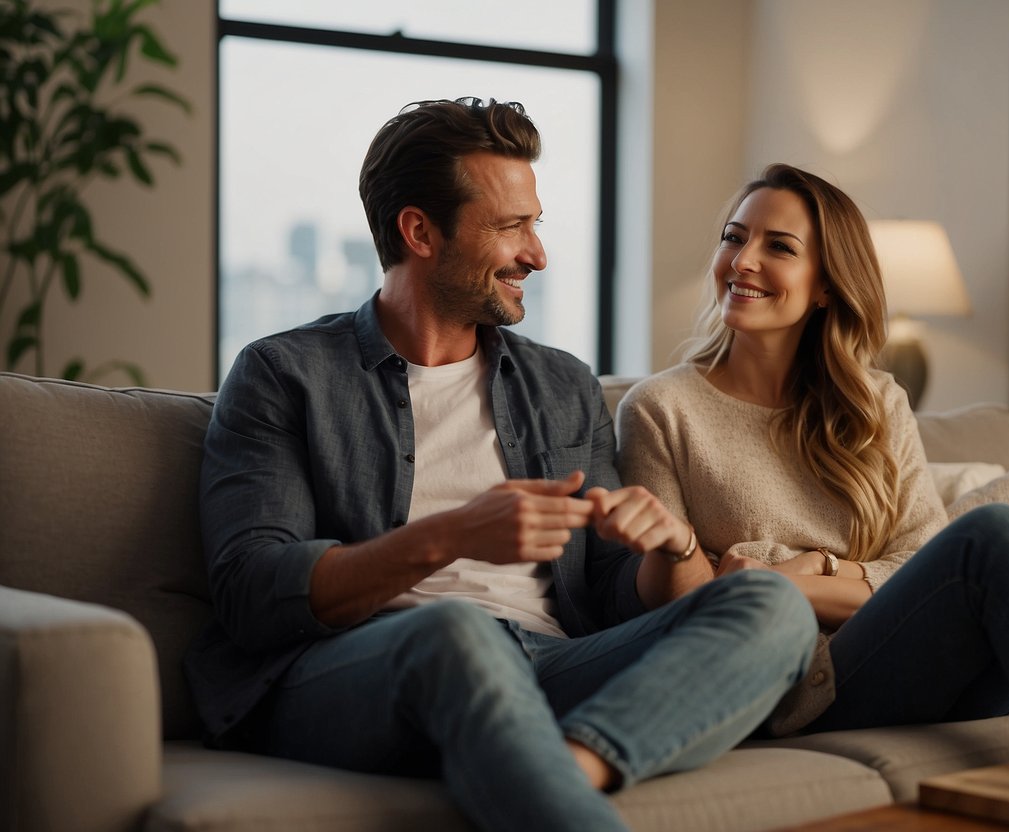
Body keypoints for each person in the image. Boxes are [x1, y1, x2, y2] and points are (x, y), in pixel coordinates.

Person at [186, 101, 818, 832]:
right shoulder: (283, 374)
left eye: (535, 225)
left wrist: (669, 549)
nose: (536, 255)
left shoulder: (560, 384)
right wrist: (451, 534)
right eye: (510, 227)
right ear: (420, 231)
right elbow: (251, 591)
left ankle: (549, 765)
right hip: (365, 669)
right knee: (456, 630)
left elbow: (617, 596)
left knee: (771, 608)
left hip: (547, 666)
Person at [616, 162, 1009, 737]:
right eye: (734, 238)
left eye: (779, 246)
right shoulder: (661, 410)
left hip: (935, 663)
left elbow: (917, 564)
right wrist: (808, 586)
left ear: (825, 286)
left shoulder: (874, 401)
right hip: (807, 688)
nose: (743, 261)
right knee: (991, 536)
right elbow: (678, 611)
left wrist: (806, 572)